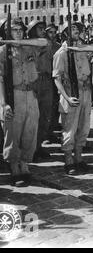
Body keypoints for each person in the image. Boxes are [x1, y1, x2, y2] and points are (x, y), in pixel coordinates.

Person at [0, 18, 40, 187]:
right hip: (13, 94)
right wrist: (3, 103)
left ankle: (25, 163)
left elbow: (44, 42)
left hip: (30, 93)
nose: (18, 32)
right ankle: (14, 167)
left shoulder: (29, 46)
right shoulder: (3, 51)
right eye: (14, 29)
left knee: (30, 131)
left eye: (20, 30)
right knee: (13, 133)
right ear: (7, 32)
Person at [53, 22, 93, 175]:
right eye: (73, 29)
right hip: (70, 92)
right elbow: (57, 78)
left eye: (78, 29)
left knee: (83, 127)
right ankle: (69, 160)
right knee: (69, 128)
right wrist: (67, 97)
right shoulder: (61, 53)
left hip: (85, 91)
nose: (77, 31)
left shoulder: (82, 49)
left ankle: (79, 158)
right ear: (65, 33)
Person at [27, 20, 54, 162]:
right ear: (32, 31)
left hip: (47, 81)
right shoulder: (28, 45)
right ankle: (30, 149)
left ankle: (38, 146)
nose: (43, 31)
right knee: (33, 117)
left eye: (44, 28)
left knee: (45, 117)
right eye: (40, 29)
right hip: (34, 82)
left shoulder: (48, 44)